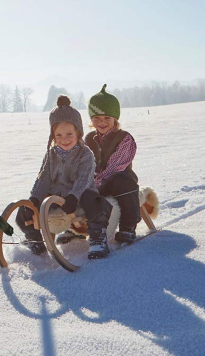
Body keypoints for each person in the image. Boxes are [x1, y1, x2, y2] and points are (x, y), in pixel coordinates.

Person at [16, 96, 113, 259]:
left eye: (69, 133)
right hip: (55, 200)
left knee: (94, 201)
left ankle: (98, 238)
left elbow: (83, 180)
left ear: (78, 132)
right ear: (53, 136)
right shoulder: (51, 154)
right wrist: (35, 199)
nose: (64, 139)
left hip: (80, 199)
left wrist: (73, 197)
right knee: (24, 210)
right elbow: (43, 178)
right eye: (58, 135)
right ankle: (35, 240)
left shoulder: (85, 154)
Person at [85, 84, 140, 244]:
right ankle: (75, 227)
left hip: (118, 181)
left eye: (107, 118)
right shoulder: (89, 139)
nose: (102, 122)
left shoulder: (124, 138)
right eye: (97, 118)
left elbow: (116, 166)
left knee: (123, 183)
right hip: (97, 183)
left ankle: (128, 226)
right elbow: (84, 161)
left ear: (115, 118)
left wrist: (97, 182)